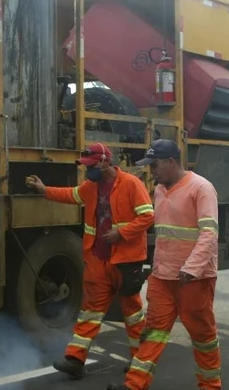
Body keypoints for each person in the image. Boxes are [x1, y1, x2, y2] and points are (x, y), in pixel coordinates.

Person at [107, 139, 222, 390]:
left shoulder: (201, 188)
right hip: (163, 275)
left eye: (155, 165)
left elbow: (209, 233)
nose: (152, 171)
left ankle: (210, 386)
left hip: (194, 277)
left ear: (171, 162)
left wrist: (191, 268)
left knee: (202, 333)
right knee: (153, 331)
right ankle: (135, 387)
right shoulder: (159, 190)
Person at [26, 144, 154, 378]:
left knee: (132, 313)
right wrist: (44, 190)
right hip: (98, 260)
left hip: (125, 261)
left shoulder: (131, 184)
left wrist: (121, 233)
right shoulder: (91, 187)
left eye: (91, 166)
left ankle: (139, 361)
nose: (87, 171)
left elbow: (147, 216)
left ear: (105, 162)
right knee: (90, 311)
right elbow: (71, 195)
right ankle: (75, 359)